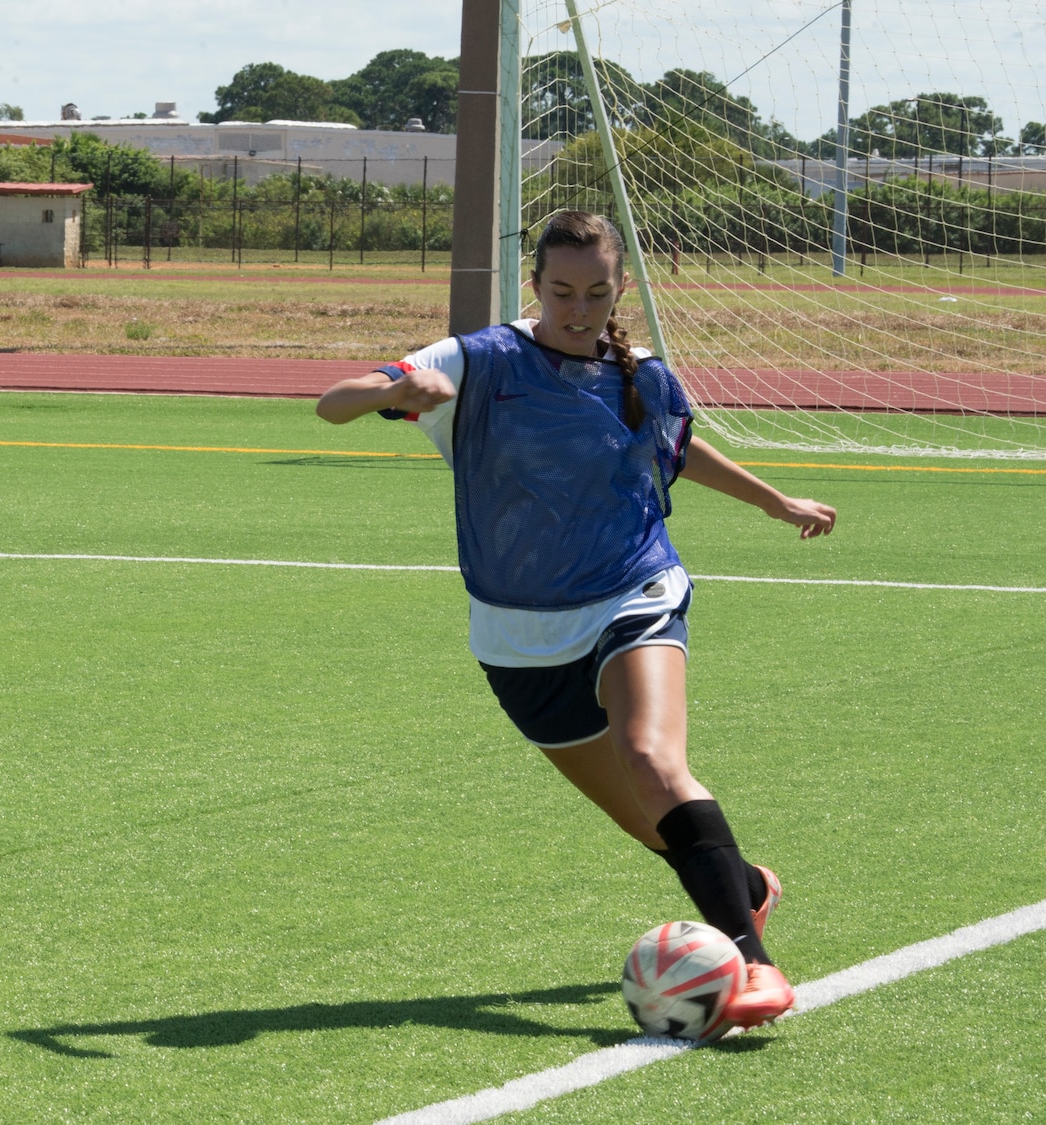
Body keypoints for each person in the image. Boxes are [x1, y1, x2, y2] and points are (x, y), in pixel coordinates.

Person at [315, 210, 835, 1035]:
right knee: (651, 823)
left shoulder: (645, 374)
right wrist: (394, 391)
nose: (579, 308)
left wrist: (777, 501)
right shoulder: (480, 360)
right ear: (536, 285)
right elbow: (329, 403)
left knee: (653, 759)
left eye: (596, 291)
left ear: (620, 285)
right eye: (561, 291)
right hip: (518, 637)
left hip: (634, 588)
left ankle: (754, 965)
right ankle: (747, 887)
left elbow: (672, 449)